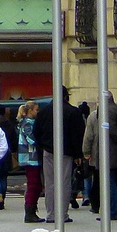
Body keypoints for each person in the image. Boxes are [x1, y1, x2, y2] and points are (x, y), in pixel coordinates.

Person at [36, 87, 86, 224]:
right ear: (66, 96)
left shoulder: (44, 111)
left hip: (48, 151)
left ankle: (51, 214)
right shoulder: (73, 112)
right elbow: (78, 135)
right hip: (66, 152)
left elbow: (36, 132)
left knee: (50, 183)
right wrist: (78, 154)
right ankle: (62, 214)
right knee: (64, 183)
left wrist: (43, 147)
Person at [83, 92, 117, 219]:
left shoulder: (106, 111)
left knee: (110, 183)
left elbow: (111, 131)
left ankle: (113, 211)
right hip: (116, 153)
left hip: (109, 152)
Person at [17, 101, 42, 222]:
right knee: (33, 185)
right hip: (30, 158)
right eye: (36, 110)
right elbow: (32, 140)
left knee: (36, 185)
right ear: (30, 111)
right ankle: (30, 211)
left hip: (32, 157)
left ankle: (32, 209)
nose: (38, 112)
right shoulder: (27, 124)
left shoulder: (28, 123)